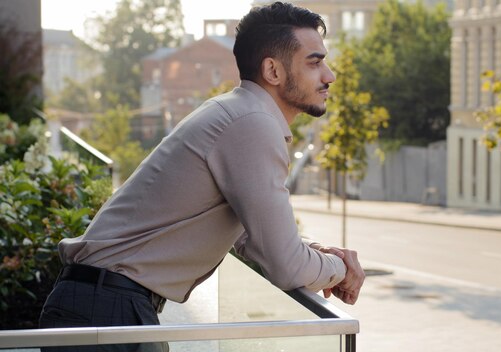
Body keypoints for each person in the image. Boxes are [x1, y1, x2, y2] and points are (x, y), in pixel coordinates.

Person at [39, 2, 365, 350]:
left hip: (107, 305)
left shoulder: (238, 112)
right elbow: (285, 265)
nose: (329, 75)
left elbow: (251, 236)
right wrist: (341, 268)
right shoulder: (251, 123)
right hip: (108, 311)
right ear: (273, 70)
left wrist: (318, 251)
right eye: (314, 62)